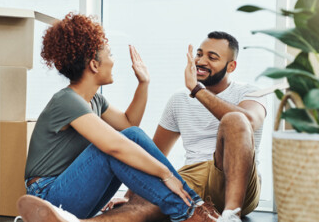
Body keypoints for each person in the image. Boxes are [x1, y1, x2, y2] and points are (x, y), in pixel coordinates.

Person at [17, 31, 267, 222]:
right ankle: (193, 212)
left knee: (130, 136)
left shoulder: (94, 100)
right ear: (94, 65)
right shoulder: (66, 100)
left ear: (231, 65)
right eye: (110, 55)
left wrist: (144, 83)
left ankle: (197, 212)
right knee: (125, 152)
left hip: (234, 177)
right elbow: (119, 145)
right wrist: (162, 177)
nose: (114, 61)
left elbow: (128, 125)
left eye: (212, 57)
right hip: (48, 191)